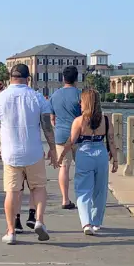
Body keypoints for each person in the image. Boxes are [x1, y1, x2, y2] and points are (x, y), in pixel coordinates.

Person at [0, 63, 59, 244]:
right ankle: (39, 220)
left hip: (10, 153)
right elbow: (47, 127)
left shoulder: (0, 98)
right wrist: (53, 150)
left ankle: (11, 231)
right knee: (38, 188)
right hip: (34, 152)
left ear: (10, 77)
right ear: (28, 78)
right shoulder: (38, 97)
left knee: (12, 192)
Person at [62, 87, 118, 235]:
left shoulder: (79, 121)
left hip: (84, 153)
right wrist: (116, 160)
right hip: (101, 154)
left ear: (85, 103)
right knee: (100, 191)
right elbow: (111, 141)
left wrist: (61, 156)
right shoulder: (106, 120)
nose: (79, 104)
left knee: (83, 189)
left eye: (81, 102)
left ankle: (86, 223)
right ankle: (96, 222)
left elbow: (71, 141)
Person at [49, 66, 82, 210]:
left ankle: (65, 199)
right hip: (79, 136)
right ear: (76, 78)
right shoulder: (80, 95)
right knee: (82, 168)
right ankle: (83, 197)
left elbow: (52, 118)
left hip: (61, 135)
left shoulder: (55, 95)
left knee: (64, 167)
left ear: (63, 78)